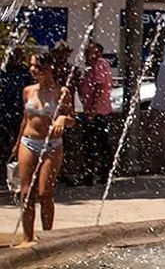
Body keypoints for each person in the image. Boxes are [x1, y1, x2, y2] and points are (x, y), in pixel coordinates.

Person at [13, 47, 74, 246]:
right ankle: (27, 238)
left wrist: (63, 118)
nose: (33, 69)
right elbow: (25, 119)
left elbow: (73, 119)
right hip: (28, 142)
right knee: (25, 192)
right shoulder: (28, 91)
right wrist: (16, 143)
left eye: (37, 66)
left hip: (51, 145)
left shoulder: (61, 92)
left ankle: (48, 239)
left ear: (49, 68)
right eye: (31, 65)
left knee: (44, 193)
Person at [75, 40, 113, 186]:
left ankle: (98, 175)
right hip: (93, 111)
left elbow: (99, 87)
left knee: (95, 144)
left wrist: (92, 109)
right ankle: (92, 174)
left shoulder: (100, 64)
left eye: (88, 52)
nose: (86, 55)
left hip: (98, 112)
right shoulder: (91, 67)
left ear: (97, 53)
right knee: (91, 144)